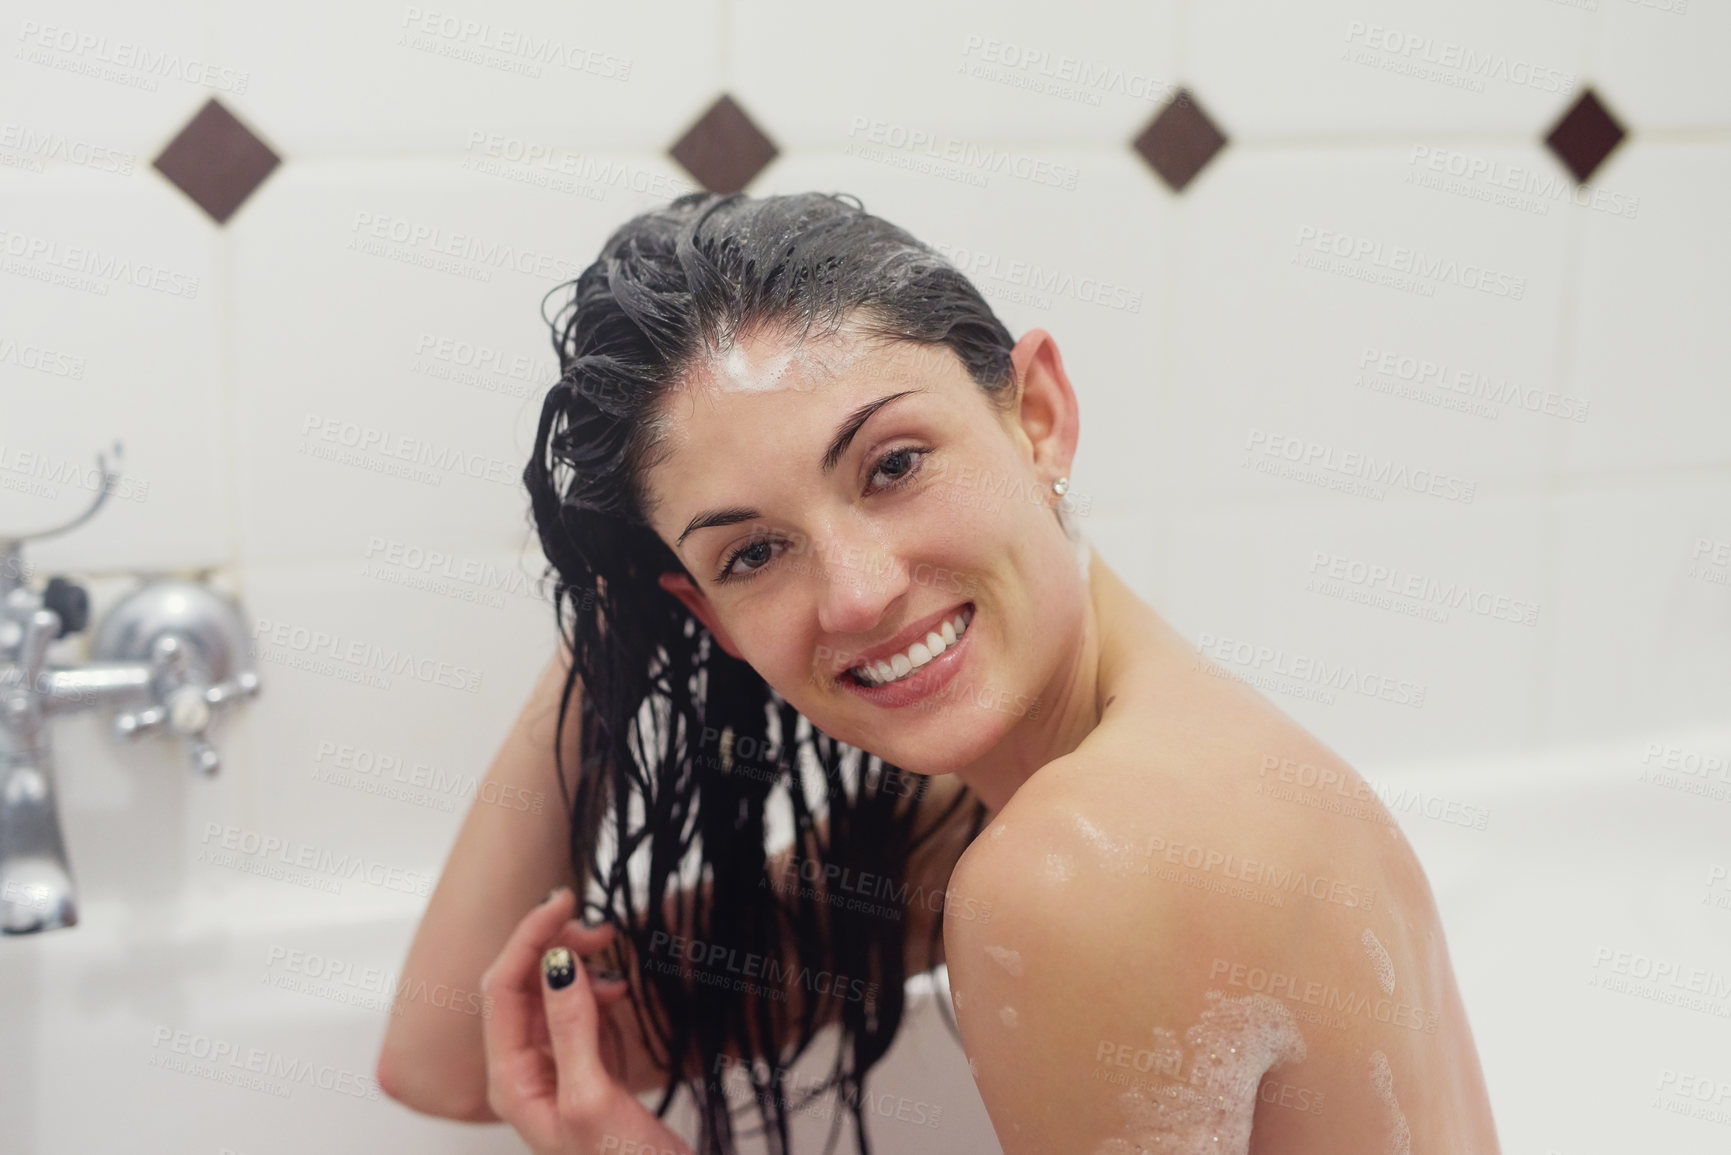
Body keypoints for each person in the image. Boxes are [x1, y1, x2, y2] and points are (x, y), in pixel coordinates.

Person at [376, 192, 1504, 1155]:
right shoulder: (1017, 805)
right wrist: (617, 612)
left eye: (895, 465)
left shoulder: (1090, 861)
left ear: (1041, 420)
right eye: (755, 553)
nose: (857, 593)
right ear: (707, 616)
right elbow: (456, 1055)